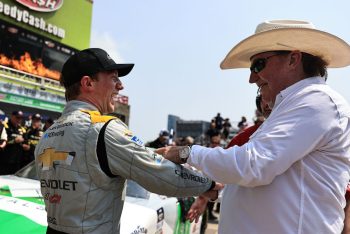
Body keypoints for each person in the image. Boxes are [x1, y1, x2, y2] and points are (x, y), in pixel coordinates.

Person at [161, 20, 350, 233]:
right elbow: (277, 185)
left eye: (258, 65)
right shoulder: (298, 105)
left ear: (293, 59)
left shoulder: (317, 100)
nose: (251, 78)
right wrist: (218, 192)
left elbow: (253, 165)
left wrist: (186, 153)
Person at [34, 48, 221, 234]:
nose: (120, 86)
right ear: (88, 83)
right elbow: (161, 176)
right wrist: (208, 185)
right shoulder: (102, 128)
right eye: (114, 78)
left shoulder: (49, 133)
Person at [0, 110, 27, 175]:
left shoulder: (22, 129)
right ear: (12, 116)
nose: (19, 120)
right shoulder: (4, 126)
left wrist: (26, 145)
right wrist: (14, 141)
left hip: (16, 161)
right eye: (17, 117)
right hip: (4, 159)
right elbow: (2, 142)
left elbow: (25, 141)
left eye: (21, 118)